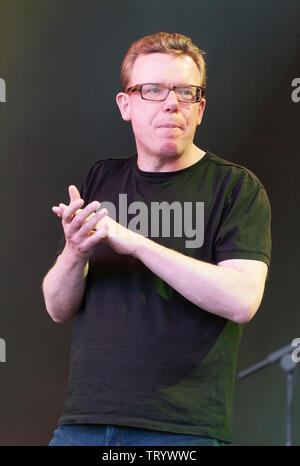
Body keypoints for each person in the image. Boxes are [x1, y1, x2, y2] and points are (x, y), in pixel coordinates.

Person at [43, 32, 271, 446]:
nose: (171, 103)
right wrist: (74, 253)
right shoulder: (103, 178)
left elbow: (242, 300)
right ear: (125, 105)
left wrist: (137, 243)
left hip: (182, 432)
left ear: (200, 108)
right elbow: (58, 307)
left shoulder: (237, 188)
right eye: (153, 89)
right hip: (84, 424)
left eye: (185, 92)